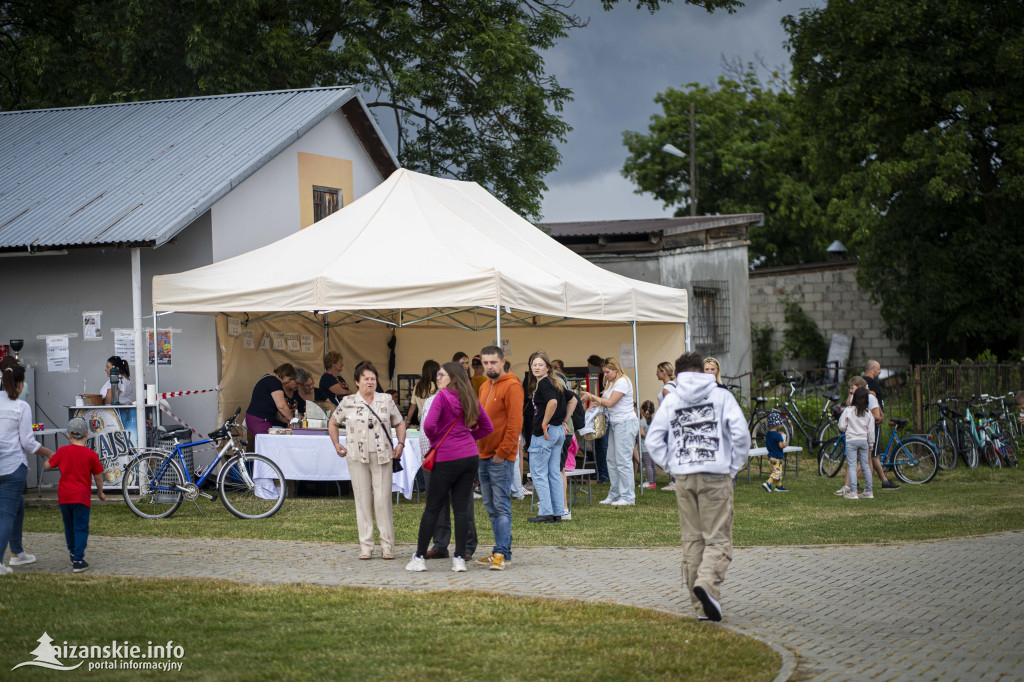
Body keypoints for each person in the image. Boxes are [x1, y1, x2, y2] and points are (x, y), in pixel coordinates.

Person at [645, 352, 750, 623]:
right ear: (703, 371)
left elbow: (654, 439)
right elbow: (740, 435)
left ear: (679, 375)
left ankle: (702, 607)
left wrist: (671, 465)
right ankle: (707, 584)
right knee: (718, 537)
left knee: (692, 540)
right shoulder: (721, 396)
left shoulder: (673, 399)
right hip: (716, 475)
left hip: (684, 476)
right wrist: (733, 466)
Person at [406, 362, 493, 572]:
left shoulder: (442, 397)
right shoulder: (469, 397)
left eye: (442, 375)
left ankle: (418, 557)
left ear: (453, 378)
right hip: (469, 456)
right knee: (462, 509)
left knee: (433, 508)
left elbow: (428, 426)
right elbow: (487, 426)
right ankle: (459, 559)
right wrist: (467, 437)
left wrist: (440, 440)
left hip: (446, 457)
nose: (438, 378)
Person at [329, 361, 406, 560]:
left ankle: (387, 545)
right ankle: (366, 546)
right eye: (366, 379)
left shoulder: (386, 400)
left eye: (373, 379)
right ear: (357, 381)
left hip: (382, 456)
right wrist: (336, 444)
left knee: (382, 501)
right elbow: (334, 422)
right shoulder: (347, 402)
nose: (370, 382)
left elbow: (399, 422)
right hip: (356, 456)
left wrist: (401, 444)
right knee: (362, 501)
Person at [1, 364, 54, 574]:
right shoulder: (21, 406)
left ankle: (17, 553)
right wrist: (49, 452)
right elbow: (28, 442)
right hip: (13, 467)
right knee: (5, 514)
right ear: (21, 384)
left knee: (18, 506)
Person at [474, 345, 524, 570]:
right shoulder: (485, 386)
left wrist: (502, 453)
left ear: (503, 362)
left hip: (499, 457)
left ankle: (501, 552)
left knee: (501, 506)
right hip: (483, 454)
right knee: (491, 506)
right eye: (485, 363)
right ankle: (502, 550)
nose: (489, 366)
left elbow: (515, 424)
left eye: (493, 362)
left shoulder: (512, 386)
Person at [42, 417, 105, 572]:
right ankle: (78, 560)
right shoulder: (91, 454)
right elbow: (98, 475)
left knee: (69, 526)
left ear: (69, 435)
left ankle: (72, 551)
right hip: (81, 498)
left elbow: (48, 466)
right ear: (87, 434)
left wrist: (50, 455)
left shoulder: (63, 451)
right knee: (81, 528)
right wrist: (100, 491)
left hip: (64, 498)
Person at [582, 357, 638, 506]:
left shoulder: (623, 381)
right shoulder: (610, 382)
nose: (605, 375)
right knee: (611, 460)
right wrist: (595, 404)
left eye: (607, 372)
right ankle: (614, 493)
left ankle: (628, 496)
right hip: (614, 423)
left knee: (623, 460)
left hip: (625, 423)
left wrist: (591, 396)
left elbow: (611, 402)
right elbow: (606, 403)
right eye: (604, 372)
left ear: (615, 369)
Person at [836, 375, 899, 493]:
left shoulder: (869, 399)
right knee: (865, 462)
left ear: (860, 387)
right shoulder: (858, 401)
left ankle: (852, 488)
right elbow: (849, 403)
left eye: (852, 387)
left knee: (863, 461)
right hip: (864, 436)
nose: (850, 390)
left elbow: (875, 416)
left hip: (864, 434)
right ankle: (867, 488)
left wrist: (859, 419)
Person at [525, 352, 567, 522]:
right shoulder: (556, 383)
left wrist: (544, 423)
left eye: (540, 365)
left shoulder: (544, 384)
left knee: (538, 473)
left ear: (548, 368)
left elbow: (553, 402)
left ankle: (546, 512)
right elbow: (572, 400)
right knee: (554, 473)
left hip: (545, 434)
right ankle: (558, 511)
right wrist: (563, 419)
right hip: (557, 432)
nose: (536, 367)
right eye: (534, 364)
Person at [839, 387, 875, 500]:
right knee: (865, 466)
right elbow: (871, 430)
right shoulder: (868, 413)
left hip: (851, 441)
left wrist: (847, 430)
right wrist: (871, 443)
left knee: (852, 466)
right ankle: (869, 491)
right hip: (864, 441)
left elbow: (841, 425)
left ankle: (853, 492)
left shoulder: (848, 410)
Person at [245, 363, 299, 436]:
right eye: (289, 380)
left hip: (257, 419)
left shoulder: (268, 378)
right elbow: (281, 406)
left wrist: (282, 419)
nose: (288, 382)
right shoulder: (274, 382)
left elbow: (270, 405)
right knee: (266, 444)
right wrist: (292, 420)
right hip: (259, 420)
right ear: (285, 374)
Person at [587, 354, 610, 483]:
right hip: (600, 414)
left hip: (602, 415)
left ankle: (603, 474)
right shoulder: (601, 378)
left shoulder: (602, 379)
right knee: (599, 445)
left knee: (601, 446)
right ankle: (600, 472)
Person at [655, 360, 678, 491]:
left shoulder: (667, 389)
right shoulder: (673, 386)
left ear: (663, 372)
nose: (656, 374)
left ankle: (675, 481)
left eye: (658, 371)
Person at [761, 412, 790, 493]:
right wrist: (785, 444)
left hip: (770, 457)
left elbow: (773, 438)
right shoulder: (778, 435)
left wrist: (778, 434)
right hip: (777, 457)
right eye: (780, 422)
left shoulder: (768, 434)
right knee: (777, 472)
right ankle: (768, 483)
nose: (781, 424)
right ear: (777, 424)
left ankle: (779, 486)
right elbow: (780, 446)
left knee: (777, 472)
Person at [407, 360, 440, 426]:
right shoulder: (439, 386)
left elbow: (412, 406)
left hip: (422, 420)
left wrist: (407, 421)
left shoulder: (418, 386)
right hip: (437, 419)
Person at [638, 400, 657, 489]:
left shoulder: (642, 422)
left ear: (642, 410)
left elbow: (642, 433)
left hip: (645, 448)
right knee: (653, 465)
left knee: (648, 465)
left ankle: (649, 482)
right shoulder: (654, 421)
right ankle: (653, 482)